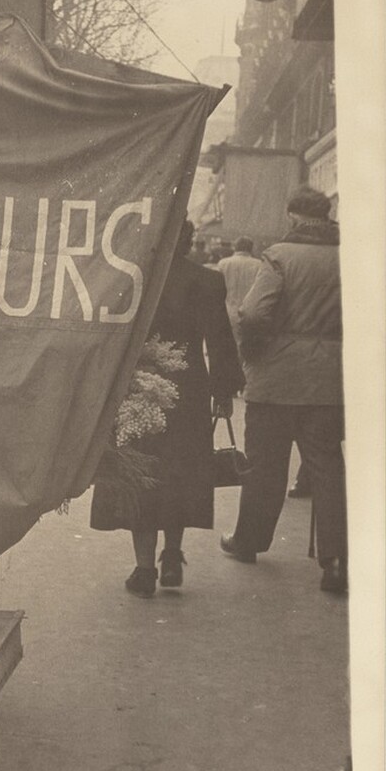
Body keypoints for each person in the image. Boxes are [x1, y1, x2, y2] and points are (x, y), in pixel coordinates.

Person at [90, 219, 243, 597]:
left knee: (141, 474)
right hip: (187, 390)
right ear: (190, 243)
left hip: (138, 385)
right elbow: (221, 341)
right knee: (181, 472)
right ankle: (172, 555)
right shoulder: (206, 281)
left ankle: (144, 570)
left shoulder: (133, 279)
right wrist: (224, 392)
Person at [220, 185, 347, 593]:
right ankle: (337, 561)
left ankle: (249, 541)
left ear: (293, 217)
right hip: (329, 382)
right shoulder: (349, 257)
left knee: (265, 466)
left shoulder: (280, 256)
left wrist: (254, 353)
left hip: (276, 380)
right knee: (328, 468)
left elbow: (255, 313)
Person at [217, 236, 261, 348]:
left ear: (235, 247)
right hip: (248, 312)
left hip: (227, 310)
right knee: (244, 346)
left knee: (226, 346)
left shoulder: (223, 263)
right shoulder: (259, 265)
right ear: (251, 248)